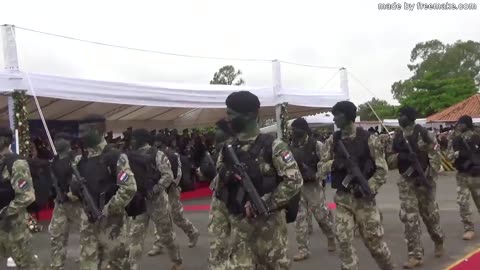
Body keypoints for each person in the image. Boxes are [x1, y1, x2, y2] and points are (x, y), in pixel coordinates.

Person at [215, 91, 303, 269]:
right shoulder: (229, 147)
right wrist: (227, 175)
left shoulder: (274, 146)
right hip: (240, 227)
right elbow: (219, 171)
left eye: (231, 113)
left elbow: (294, 181)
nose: (228, 118)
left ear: (250, 115)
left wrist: (265, 202)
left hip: (269, 229)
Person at [319, 101, 394, 270]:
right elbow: (320, 168)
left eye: (338, 114)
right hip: (343, 199)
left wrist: (369, 186)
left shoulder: (369, 139)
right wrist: (336, 163)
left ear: (348, 116)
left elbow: (382, 170)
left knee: (375, 244)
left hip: (364, 200)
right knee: (343, 240)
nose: (334, 118)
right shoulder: (333, 140)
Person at [72, 115, 136, 270]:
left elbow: (129, 187)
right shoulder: (80, 161)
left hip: (112, 224)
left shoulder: (115, 157)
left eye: (84, 131)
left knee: (118, 264)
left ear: (96, 130)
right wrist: (73, 189)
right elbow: (74, 193)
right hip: (88, 222)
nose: (80, 136)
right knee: (88, 264)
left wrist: (109, 209)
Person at [387, 106, 444, 269]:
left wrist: (428, 177)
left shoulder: (424, 133)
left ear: (410, 117)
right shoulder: (397, 136)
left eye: (403, 115)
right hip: (406, 182)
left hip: (424, 181)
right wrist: (401, 156)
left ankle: (438, 240)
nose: (400, 118)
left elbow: (435, 158)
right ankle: (415, 255)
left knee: (430, 216)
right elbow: (390, 161)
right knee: (409, 218)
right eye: (399, 115)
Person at [126, 128, 184, 270]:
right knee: (135, 237)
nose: (132, 141)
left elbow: (168, 175)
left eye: (134, 138)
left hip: (157, 201)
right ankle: (132, 266)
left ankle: (177, 262)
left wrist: (155, 189)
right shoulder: (130, 156)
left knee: (166, 236)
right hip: (138, 202)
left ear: (142, 139)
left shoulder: (157, 154)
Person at [289, 117, 336, 261]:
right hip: (297, 186)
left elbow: (326, 163)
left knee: (321, 216)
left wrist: (317, 174)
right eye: (292, 129)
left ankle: (330, 236)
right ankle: (303, 249)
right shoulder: (291, 146)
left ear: (303, 130)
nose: (293, 132)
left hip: (313, 186)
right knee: (300, 218)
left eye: (295, 129)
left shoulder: (316, 144)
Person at [147, 131, 199, 258]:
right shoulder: (153, 155)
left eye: (160, 145)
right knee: (159, 216)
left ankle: (192, 232)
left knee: (177, 216)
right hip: (159, 189)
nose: (158, 147)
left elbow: (178, 173)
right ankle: (158, 243)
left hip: (172, 188)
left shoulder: (173, 155)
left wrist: (170, 185)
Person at [0, 127, 42, 269]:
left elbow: (27, 195)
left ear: (5, 141)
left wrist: (6, 211)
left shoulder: (16, 163)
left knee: (26, 264)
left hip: (13, 224)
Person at [49, 133, 82, 270]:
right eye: (56, 140)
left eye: (60, 140)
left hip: (77, 204)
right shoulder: (54, 161)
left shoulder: (77, 159)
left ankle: (86, 258)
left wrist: (72, 194)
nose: (57, 142)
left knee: (86, 233)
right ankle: (57, 264)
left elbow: (81, 181)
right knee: (57, 234)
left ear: (67, 142)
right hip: (60, 203)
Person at [206, 118, 234, 270]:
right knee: (216, 238)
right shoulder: (220, 147)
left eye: (218, 129)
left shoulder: (233, 145)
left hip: (235, 197)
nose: (216, 133)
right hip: (219, 194)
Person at [447, 115, 480, 240]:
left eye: (462, 123)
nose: (459, 125)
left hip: (476, 175)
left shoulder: (477, 136)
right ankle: (468, 228)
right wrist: (458, 153)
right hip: (462, 175)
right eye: (458, 123)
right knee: (463, 202)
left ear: (468, 124)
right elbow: (448, 156)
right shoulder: (455, 139)